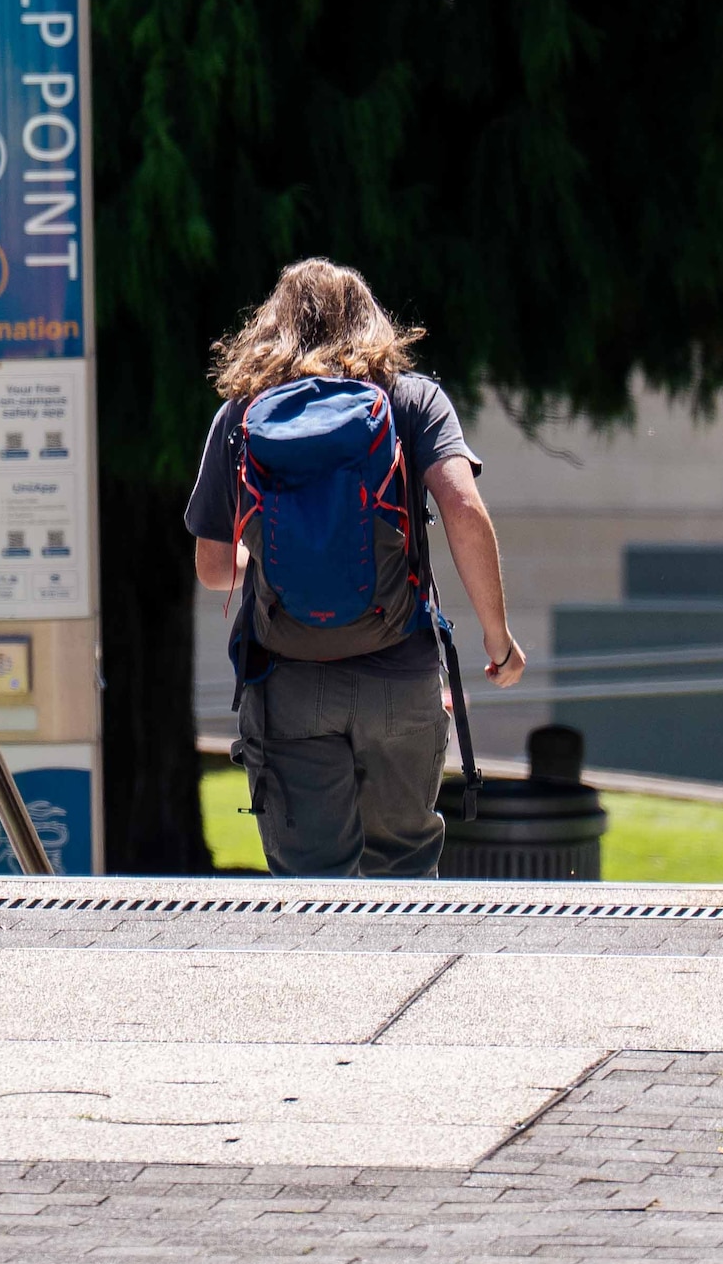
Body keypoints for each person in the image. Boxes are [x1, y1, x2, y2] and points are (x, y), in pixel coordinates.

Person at [183, 260, 525, 877]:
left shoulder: (241, 414)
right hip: (400, 670)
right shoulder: (412, 400)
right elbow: (463, 509)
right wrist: (497, 638)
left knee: (312, 891)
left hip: (288, 683)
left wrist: (277, 542)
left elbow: (213, 566)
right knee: (403, 876)